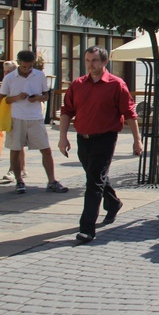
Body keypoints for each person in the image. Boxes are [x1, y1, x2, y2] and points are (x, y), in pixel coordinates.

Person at [57, 46, 143, 243]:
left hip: (105, 138)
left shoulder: (116, 84)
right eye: (87, 60)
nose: (90, 64)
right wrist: (63, 137)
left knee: (93, 182)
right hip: (83, 138)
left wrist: (137, 140)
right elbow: (66, 111)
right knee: (95, 176)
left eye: (94, 60)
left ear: (104, 62)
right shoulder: (78, 84)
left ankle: (87, 228)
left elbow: (130, 113)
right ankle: (113, 203)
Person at [0, 50, 66, 195]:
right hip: (16, 117)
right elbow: (3, 98)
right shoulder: (10, 78)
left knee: (46, 149)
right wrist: (16, 97)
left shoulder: (39, 75)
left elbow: (46, 95)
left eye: (29, 67)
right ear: (19, 63)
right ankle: (19, 181)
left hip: (35, 117)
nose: (27, 70)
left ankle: (52, 181)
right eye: (24, 67)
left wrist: (37, 98)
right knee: (15, 150)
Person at [1, 60, 26, 184]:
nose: (5, 74)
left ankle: (14, 170)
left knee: (16, 144)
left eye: (8, 71)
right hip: (9, 115)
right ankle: (22, 169)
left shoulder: (17, 81)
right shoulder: (7, 81)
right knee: (18, 144)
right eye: (4, 71)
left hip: (19, 115)